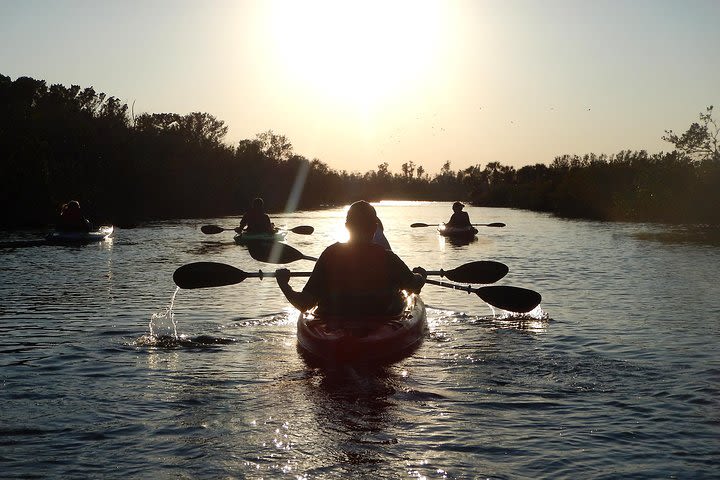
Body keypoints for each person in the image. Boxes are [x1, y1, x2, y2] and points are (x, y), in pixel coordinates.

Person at [276, 201, 425, 316]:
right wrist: (420, 275)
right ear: (375, 228)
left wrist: (283, 284)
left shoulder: (330, 255)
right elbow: (414, 286)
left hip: (334, 327)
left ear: (346, 226)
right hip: (381, 321)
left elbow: (304, 304)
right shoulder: (388, 258)